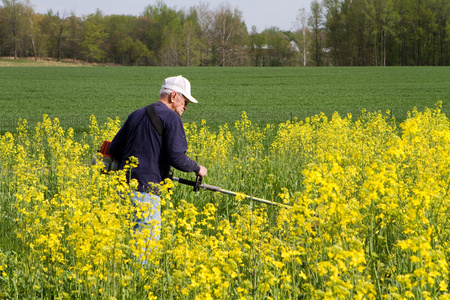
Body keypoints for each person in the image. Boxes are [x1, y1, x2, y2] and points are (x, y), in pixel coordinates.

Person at [109, 75, 207, 245]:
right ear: (174, 96)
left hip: (123, 189)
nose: (186, 107)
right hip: (146, 191)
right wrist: (197, 168)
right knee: (146, 247)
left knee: (125, 244)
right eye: (186, 102)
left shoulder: (136, 114)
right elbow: (177, 157)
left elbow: (114, 148)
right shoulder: (172, 118)